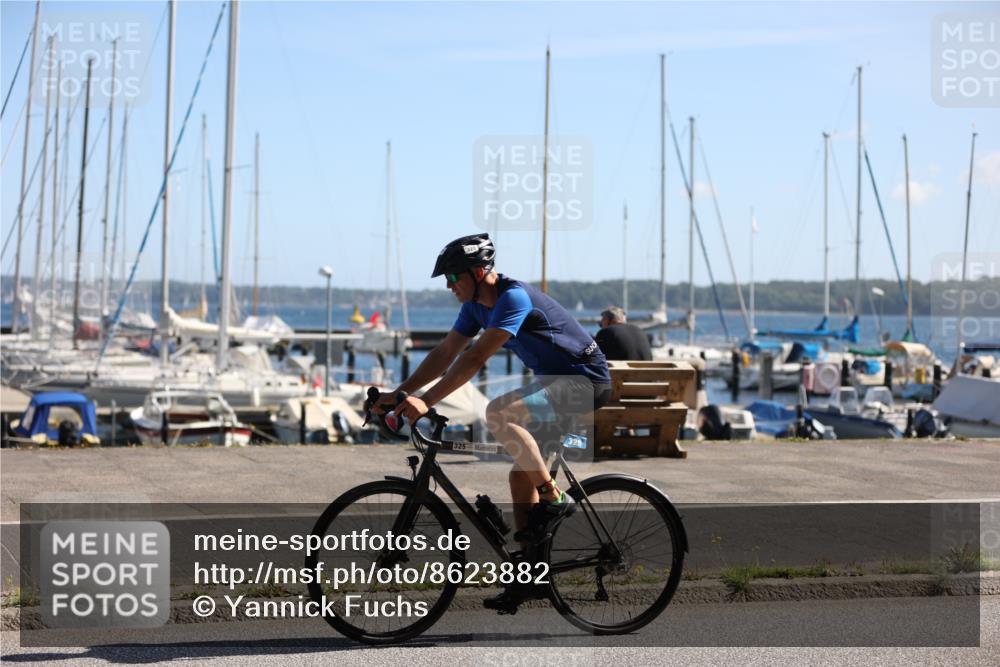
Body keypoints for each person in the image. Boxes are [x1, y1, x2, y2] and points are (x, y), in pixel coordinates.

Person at [376, 233, 611, 611]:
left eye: (454, 278)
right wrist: (402, 393)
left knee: (500, 412)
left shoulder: (512, 298)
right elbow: (445, 352)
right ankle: (530, 575)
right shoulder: (474, 308)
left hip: (586, 383)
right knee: (521, 475)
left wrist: (428, 400)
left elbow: (474, 358)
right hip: (556, 384)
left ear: (479, 271)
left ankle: (554, 497)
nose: (450, 286)